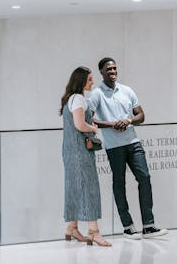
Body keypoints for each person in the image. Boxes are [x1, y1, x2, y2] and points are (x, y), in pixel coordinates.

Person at [88, 57, 168, 239]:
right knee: (119, 184)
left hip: (133, 142)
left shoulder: (127, 90)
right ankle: (128, 227)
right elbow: (89, 119)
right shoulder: (96, 94)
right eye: (108, 69)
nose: (112, 71)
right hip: (114, 147)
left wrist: (129, 120)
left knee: (145, 177)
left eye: (114, 68)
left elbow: (141, 115)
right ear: (101, 72)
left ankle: (149, 226)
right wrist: (111, 124)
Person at [60, 66, 111, 247]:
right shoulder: (79, 99)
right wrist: (93, 128)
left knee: (73, 187)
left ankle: (71, 227)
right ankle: (94, 232)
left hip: (69, 150)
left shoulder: (69, 99)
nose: (92, 82)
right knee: (90, 188)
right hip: (80, 151)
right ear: (81, 81)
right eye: (89, 79)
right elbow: (80, 125)